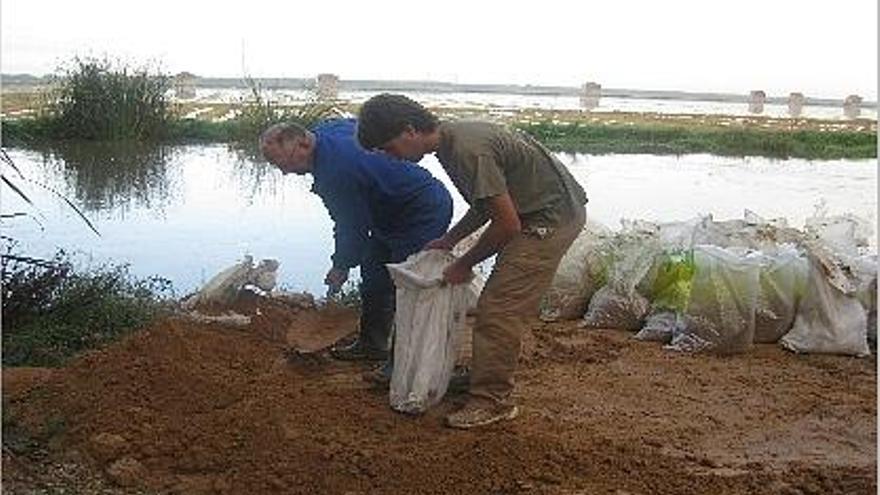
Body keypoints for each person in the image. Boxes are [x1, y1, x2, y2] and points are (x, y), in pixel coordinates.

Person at [356, 94, 588, 429]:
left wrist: (464, 263)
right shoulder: (451, 142)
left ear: (409, 130)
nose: (393, 158)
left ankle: (492, 400)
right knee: (496, 304)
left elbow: (507, 224)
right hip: (534, 210)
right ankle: (482, 375)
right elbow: (486, 204)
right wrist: (450, 240)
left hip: (550, 219)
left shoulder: (465, 150)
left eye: (389, 148)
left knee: (499, 308)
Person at [260, 118, 452, 371]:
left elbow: (351, 226)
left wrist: (340, 265)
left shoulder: (336, 173)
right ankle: (372, 345)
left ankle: (403, 363)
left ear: (304, 143)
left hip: (421, 211)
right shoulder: (326, 131)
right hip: (386, 211)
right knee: (373, 274)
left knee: (408, 286)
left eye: (282, 163)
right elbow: (358, 122)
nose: (284, 172)